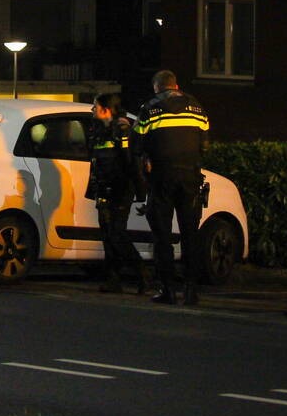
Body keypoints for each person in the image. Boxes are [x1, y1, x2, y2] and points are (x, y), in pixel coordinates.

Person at [132, 70, 210, 305]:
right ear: (176, 85)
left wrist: (145, 165)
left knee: (162, 236)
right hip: (190, 178)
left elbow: (135, 146)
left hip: (162, 178)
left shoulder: (149, 109)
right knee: (190, 235)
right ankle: (191, 290)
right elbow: (205, 145)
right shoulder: (197, 107)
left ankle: (167, 289)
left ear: (157, 88)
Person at [86, 92, 151, 294]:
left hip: (120, 189)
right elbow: (96, 162)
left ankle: (142, 275)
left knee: (117, 234)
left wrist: (140, 192)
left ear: (106, 110)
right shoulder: (99, 130)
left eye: (95, 106)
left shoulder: (122, 130)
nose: (92, 110)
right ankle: (113, 279)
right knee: (107, 234)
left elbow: (131, 163)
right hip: (104, 188)